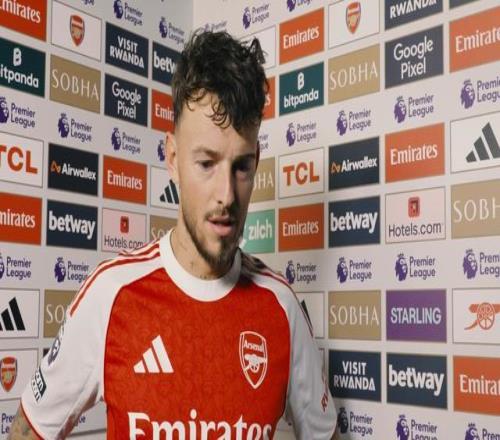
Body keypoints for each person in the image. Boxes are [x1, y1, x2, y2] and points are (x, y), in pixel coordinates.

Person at [8, 31, 336, 440]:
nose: (226, 195)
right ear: (174, 158)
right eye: (206, 164)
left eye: (241, 167)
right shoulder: (111, 295)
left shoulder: (281, 308)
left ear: (256, 161)